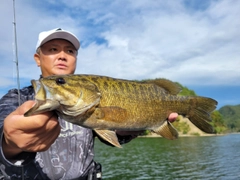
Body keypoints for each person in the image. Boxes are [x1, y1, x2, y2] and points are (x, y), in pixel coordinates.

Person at [0, 28, 178, 179]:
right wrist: (9, 142)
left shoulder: (87, 98)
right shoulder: (16, 98)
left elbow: (109, 135)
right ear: (38, 58)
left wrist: (127, 130)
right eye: (53, 49)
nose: (62, 56)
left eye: (70, 51)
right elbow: (3, 123)